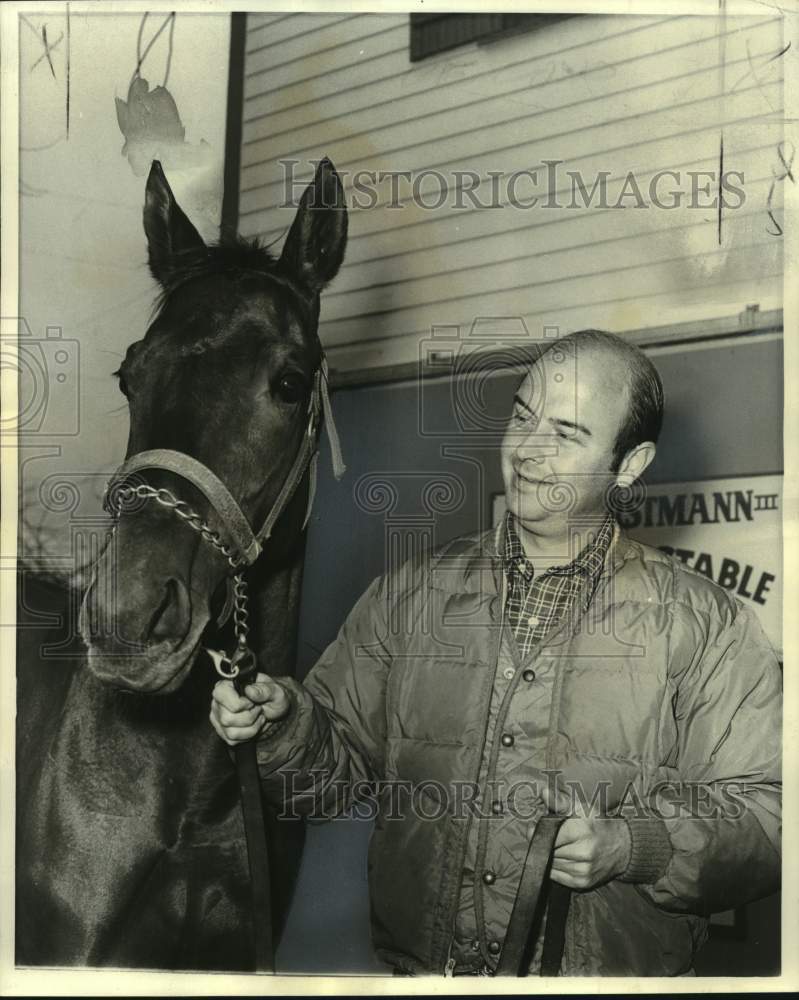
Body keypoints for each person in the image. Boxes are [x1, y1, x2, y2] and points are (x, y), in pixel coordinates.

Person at [210, 329, 781, 977]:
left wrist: (635, 845)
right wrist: (283, 724)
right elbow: (329, 783)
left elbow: (770, 814)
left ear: (628, 464)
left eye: (565, 433)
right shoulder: (411, 595)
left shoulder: (704, 625)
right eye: (521, 415)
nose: (527, 450)